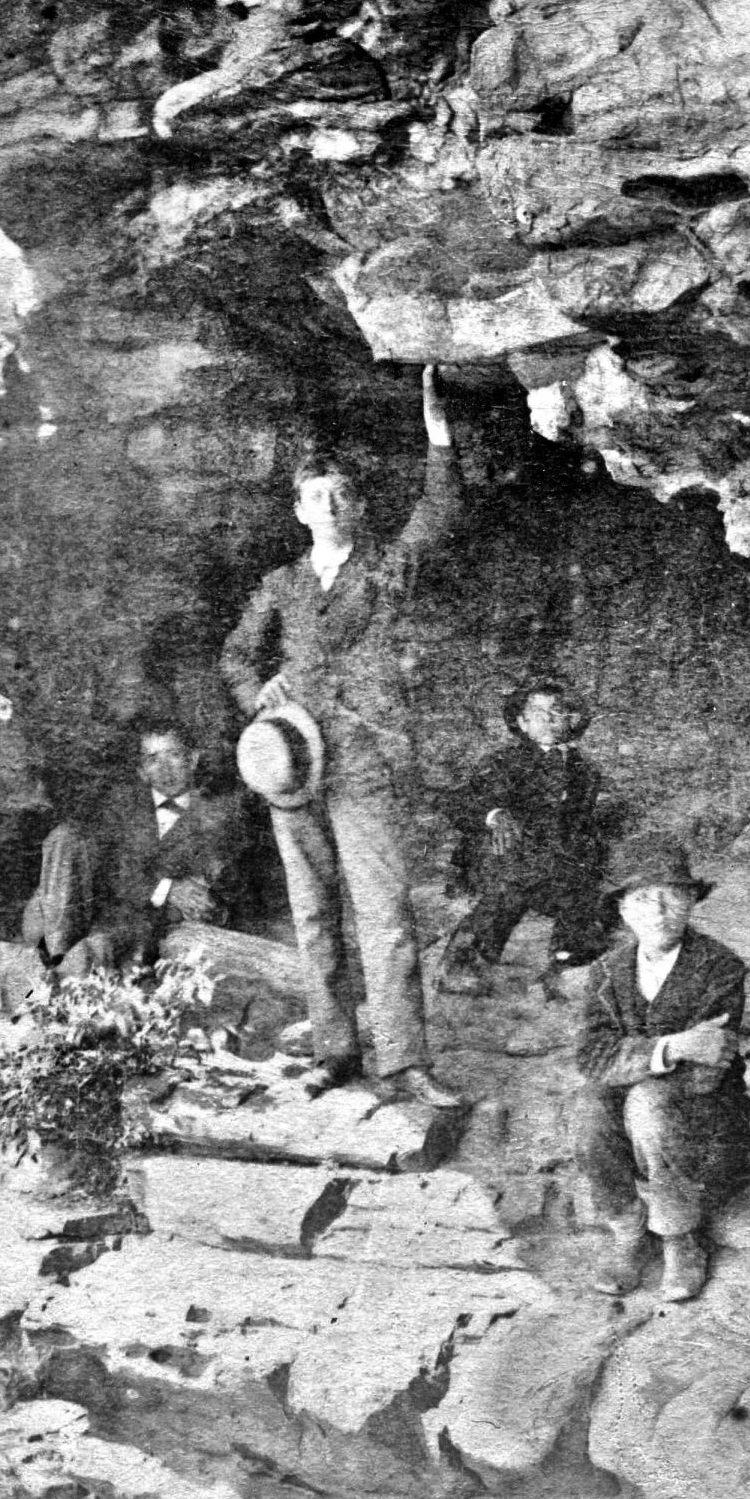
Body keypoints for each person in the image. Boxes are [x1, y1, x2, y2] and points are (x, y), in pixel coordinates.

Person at [221, 366, 462, 1109]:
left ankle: (403, 1061)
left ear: (356, 505)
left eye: (340, 495)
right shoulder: (280, 584)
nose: (328, 507)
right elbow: (235, 656)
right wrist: (255, 696)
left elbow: (440, 510)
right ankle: (334, 1050)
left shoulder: (386, 566)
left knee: (385, 916)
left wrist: (437, 431)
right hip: (292, 765)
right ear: (298, 510)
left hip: (363, 759)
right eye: (315, 497)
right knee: (312, 913)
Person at [572, 837, 750, 1304]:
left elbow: (709, 1067)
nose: (657, 911)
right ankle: (628, 1229)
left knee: (647, 1101)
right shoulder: (607, 972)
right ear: (622, 911)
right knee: (589, 1106)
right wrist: (674, 1046)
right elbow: (591, 1058)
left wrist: (630, 1060)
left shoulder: (719, 967)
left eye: (671, 895)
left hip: (708, 1121)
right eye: (641, 898)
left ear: (691, 901)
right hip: (640, 1117)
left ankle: (679, 1236)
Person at [20, 719, 249, 973]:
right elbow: (108, 869)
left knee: (98, 950)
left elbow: (208, 889)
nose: (164, 769)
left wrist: (171, 893)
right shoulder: (122, 805)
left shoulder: (217, 817)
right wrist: (166, 888)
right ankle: (57, 957)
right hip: (82, 911)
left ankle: (63, 968)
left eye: (173, 755)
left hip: (146, 923)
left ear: (193, 759)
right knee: (66, 837)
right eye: (153, 759)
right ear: (142, 771)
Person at [437, 678, 614, 999]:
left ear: (570, 719)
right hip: (507, 860)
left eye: (556, 712)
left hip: (559, 864)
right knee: (506, 893)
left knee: (585, 897)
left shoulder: (584, 769)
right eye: (537, 713)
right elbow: (457, 802)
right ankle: (464, 964)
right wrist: (494, 815)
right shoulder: (504, 762)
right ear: (522, 722)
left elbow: (583, 821)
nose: (548, 720)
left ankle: (565, 967)